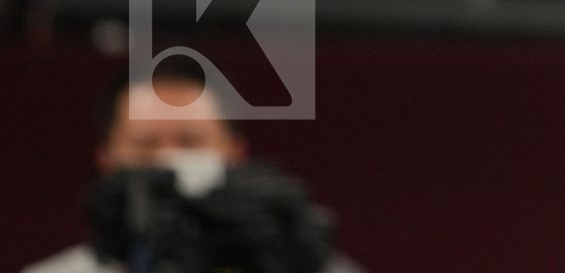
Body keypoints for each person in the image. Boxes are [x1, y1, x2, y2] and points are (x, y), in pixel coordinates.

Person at [21, 56, 362, 273]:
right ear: (107, 161)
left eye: (191, 142)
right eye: (145, 145)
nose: (169, 161)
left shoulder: (299, 264)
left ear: (235, 155)